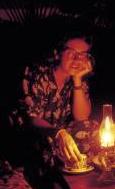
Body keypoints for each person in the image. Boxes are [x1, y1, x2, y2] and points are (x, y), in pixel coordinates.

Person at [14, 34, 94, 170]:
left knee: (91, 128)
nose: (77, 59)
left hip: (60, 133)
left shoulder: (78, 79)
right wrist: (58, 133)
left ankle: (83, 176)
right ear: (58, 54)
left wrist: (77, 80)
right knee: (45, 143)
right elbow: (30, 118)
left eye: (83, 55)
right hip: (34, 134)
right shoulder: (38, 74)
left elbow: (82, 117)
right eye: (72, 53)